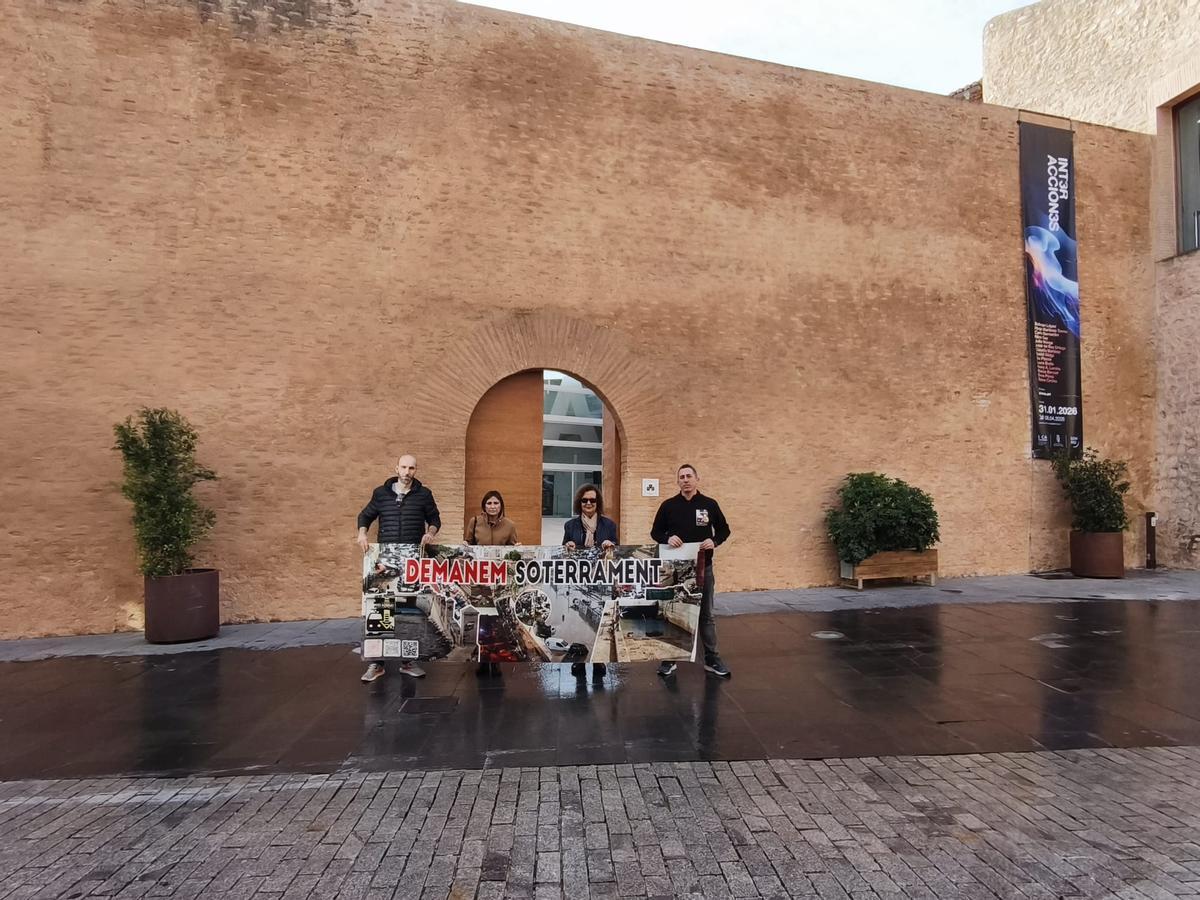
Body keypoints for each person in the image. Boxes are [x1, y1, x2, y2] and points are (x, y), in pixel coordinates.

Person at [356, 454, 441, 682]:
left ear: (416, 470)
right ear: (396, 468)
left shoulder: (424, 494)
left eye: (411, 468)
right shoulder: (381, 493)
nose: (407, 472)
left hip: (411, 559)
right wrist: (362, 534)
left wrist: (430, 533)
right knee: (381, 608)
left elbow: (435, 519)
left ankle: (407, 661)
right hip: (385, 557)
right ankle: (377, 663)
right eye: (403, 467)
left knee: (408, 608)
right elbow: (365, 515)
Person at [651, 464, 731, 678]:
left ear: (697, 479)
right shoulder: (668, 506)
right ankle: (670, 659)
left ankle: (712, 658)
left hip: (704, 568)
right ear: (678, 481)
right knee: (669, 612)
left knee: (706, 615)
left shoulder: (709, 504)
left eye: (689, 476)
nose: (685, 480)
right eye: (682, 477)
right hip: (675, 571)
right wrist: (667, 538)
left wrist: (714, 541)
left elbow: (724, 529)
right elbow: (655, 532)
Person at [562, 483, 616, 681]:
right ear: (579, 502)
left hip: (601, 577)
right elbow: (564, 551)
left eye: (592, 500)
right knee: (576, 620)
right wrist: (568, 545)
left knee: (601, 618)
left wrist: (611, 545)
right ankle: (579, 661)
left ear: (597, 502)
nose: (588, 503)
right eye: (584, 500)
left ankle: (599, 660)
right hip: (579, 576)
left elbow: (616, 551)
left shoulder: (609, 525)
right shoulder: (570, 525)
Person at [466, 490, 516, 677]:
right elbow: (468, 545)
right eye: (489, 503)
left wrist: (518, 549)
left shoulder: (510, 525)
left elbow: (513, 552)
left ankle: (496, 661)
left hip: (499, 582)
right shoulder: (475, 522)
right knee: (482, 619)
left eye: (496, 503)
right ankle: (482, 658)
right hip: (479, 580)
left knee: (498, 620)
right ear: (484, 506)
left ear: (501, 505)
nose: (492, 506)